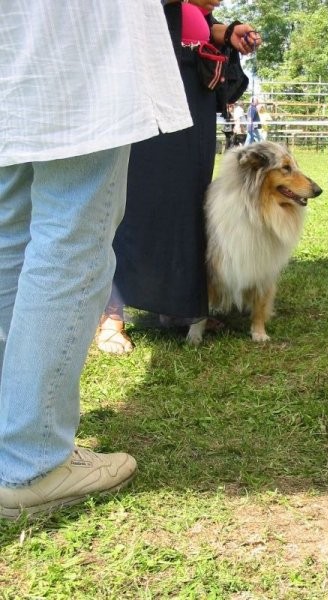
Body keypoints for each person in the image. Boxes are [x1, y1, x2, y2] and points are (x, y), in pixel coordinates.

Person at [0, 2, 194, 520]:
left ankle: (10, 442)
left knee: (7, 241)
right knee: (71, 243)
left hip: (11, 48)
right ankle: (31, 460)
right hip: (76, 51)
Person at [95, 1, 261, 354]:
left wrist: (222, 32)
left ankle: (179, 309)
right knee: (137, 203)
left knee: (188, 206)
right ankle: (112, 314)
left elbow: (189, 27)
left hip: (191, 100)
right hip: (146, 94)